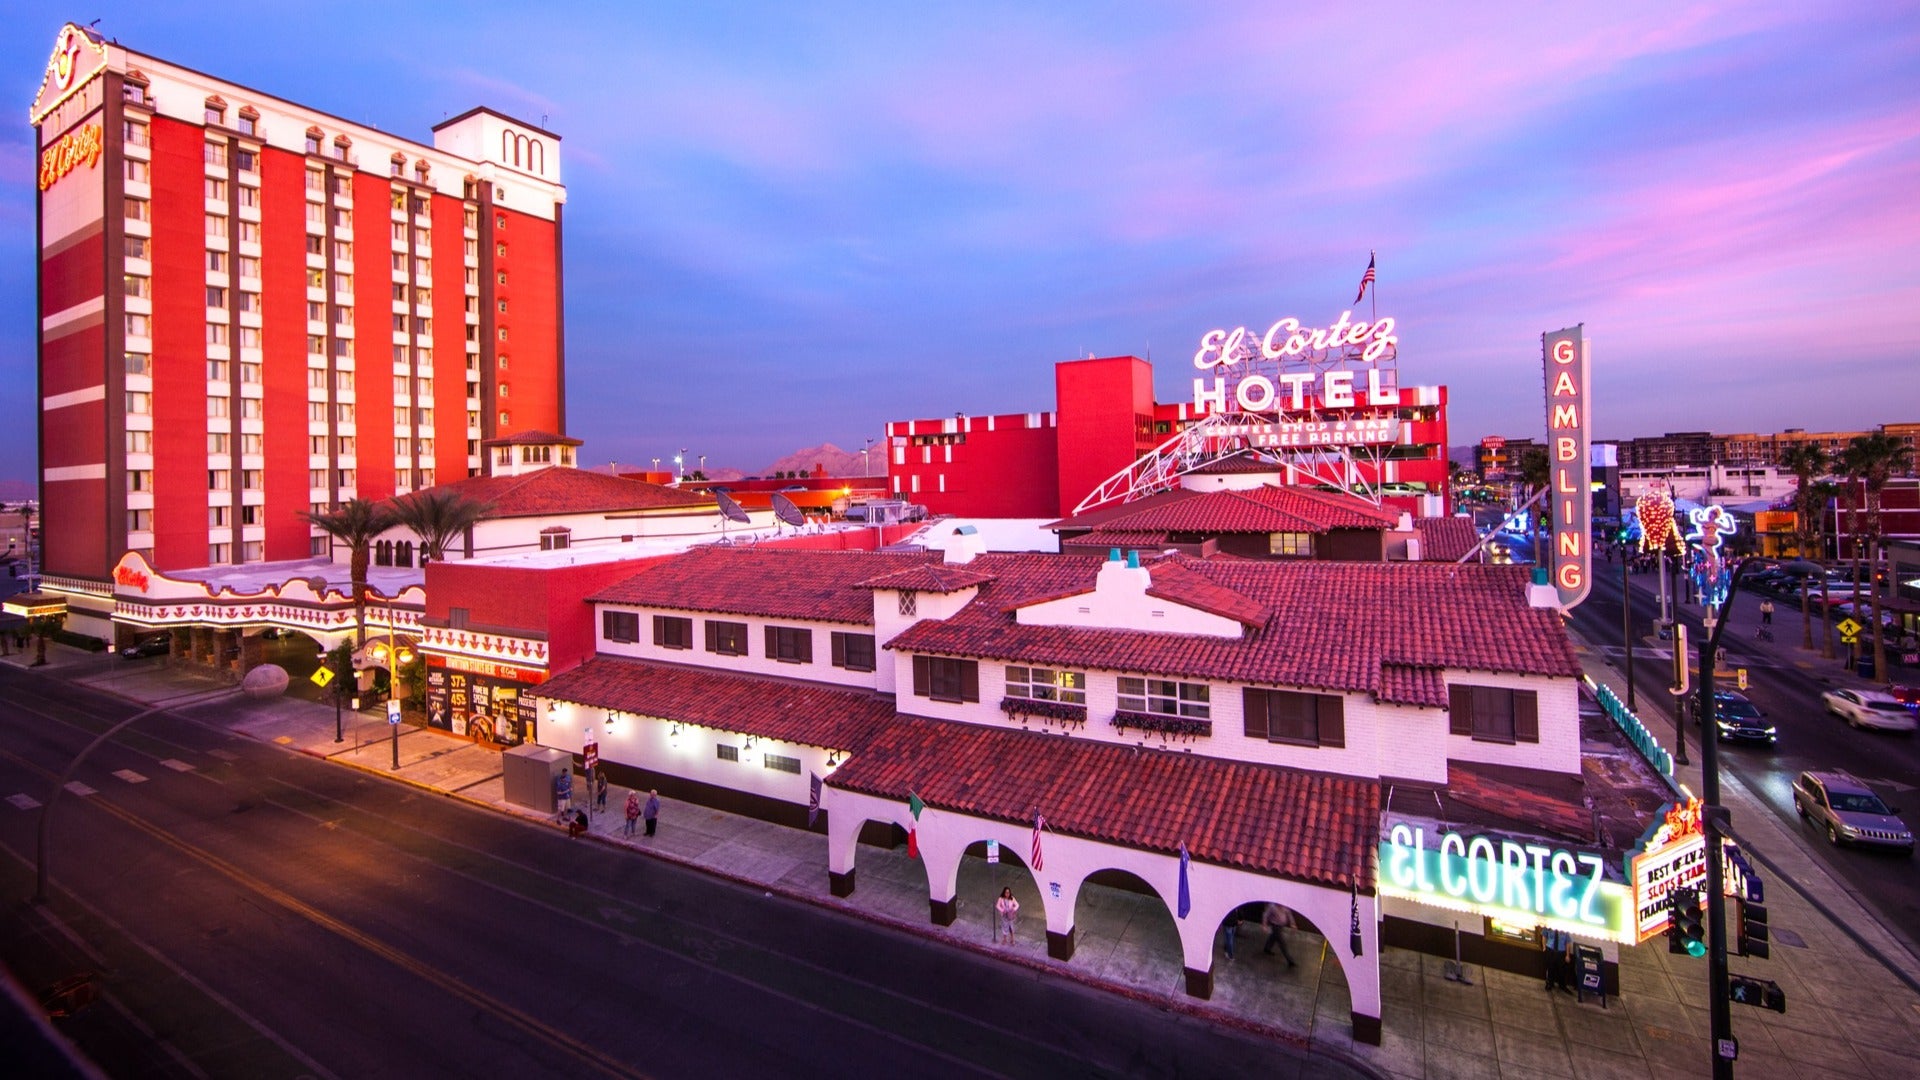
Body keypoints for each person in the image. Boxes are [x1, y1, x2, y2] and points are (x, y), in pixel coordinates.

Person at [1542, 926, 1573, 993]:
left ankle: (1562, 986)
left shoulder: (1564, 928)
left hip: (1561, 952)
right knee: (1550, 968)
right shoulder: (1548, 926)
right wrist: (1544, 947)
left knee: (1562, 970)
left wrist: (1567, 955)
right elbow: (1544, 936)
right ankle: (1549, 984)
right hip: (1550, 950)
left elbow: (1568, 942)